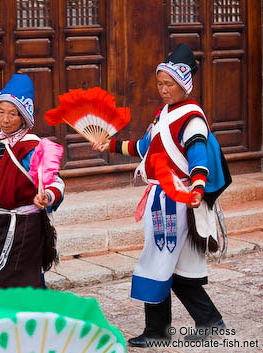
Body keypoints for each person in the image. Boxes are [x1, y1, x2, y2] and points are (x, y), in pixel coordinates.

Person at [92, 43, 230, 347]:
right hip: (163, 197)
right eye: (160, 83)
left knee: (155, 262)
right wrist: (111, 145)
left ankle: (157, 333)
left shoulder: (192, 118)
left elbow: (198, 157)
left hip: (175, 200)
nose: (163, 89)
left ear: (184, 84)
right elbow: (146, 148)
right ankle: (210, 322)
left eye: (169, 84)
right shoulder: (164, 113)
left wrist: (196, 187)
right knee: (177, 269)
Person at [0, 74, 65, 292]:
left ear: (24, 117)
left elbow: (55, 182)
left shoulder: (32, 147)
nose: (5, 119)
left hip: (25, 226)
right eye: (1, 112)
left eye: (13, 113)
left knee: (22, 278)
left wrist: (47, 195)